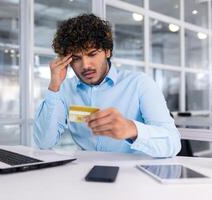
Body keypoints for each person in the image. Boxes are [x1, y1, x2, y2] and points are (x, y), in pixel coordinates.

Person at [33, 13, 181, 158]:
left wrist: (131, 129)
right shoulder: (65, 89)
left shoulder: (140, 84)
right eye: (76, 59)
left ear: (107, 51)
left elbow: (173, 144)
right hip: (84, 174)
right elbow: (44, 142)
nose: (85, 65)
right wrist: (54, 86)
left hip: (133, 173)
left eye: (92, 54)